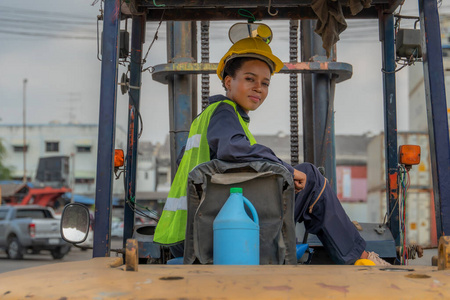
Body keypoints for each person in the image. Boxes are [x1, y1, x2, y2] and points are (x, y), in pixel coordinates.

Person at [154, 36, 390, 266]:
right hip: (217, 231)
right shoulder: (224, 112)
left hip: (191, 233)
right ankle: (360, 256)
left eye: (265, 83)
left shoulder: (205, 120)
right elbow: (233, 150)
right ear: (228, 82)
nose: (258, 88)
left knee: (303, 177)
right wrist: (286, 171)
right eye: (249, 79)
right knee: (312, 178)